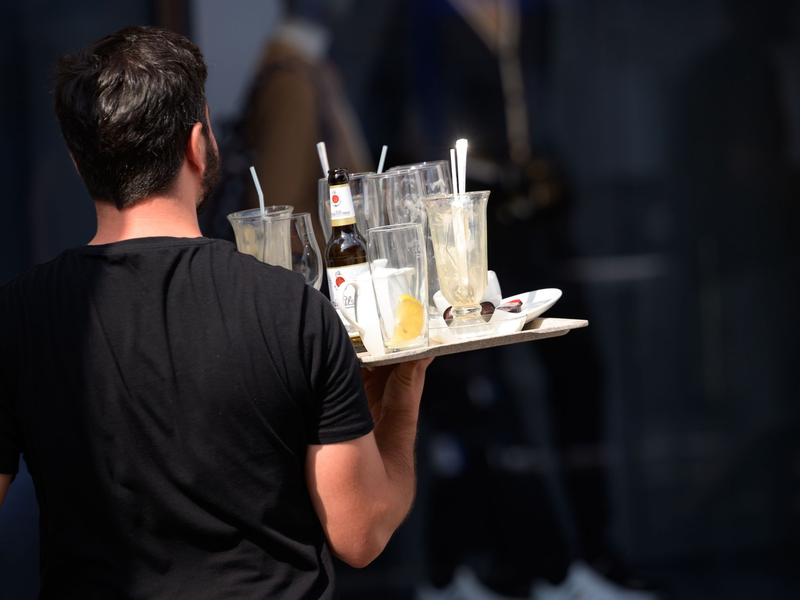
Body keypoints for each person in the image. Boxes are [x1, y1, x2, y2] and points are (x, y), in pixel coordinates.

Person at [0, 25, 432, 599]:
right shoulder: (292, 311)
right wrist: (401, 404)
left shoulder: (18, 317)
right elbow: (361, 532)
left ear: (80, 164)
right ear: (197, 144)